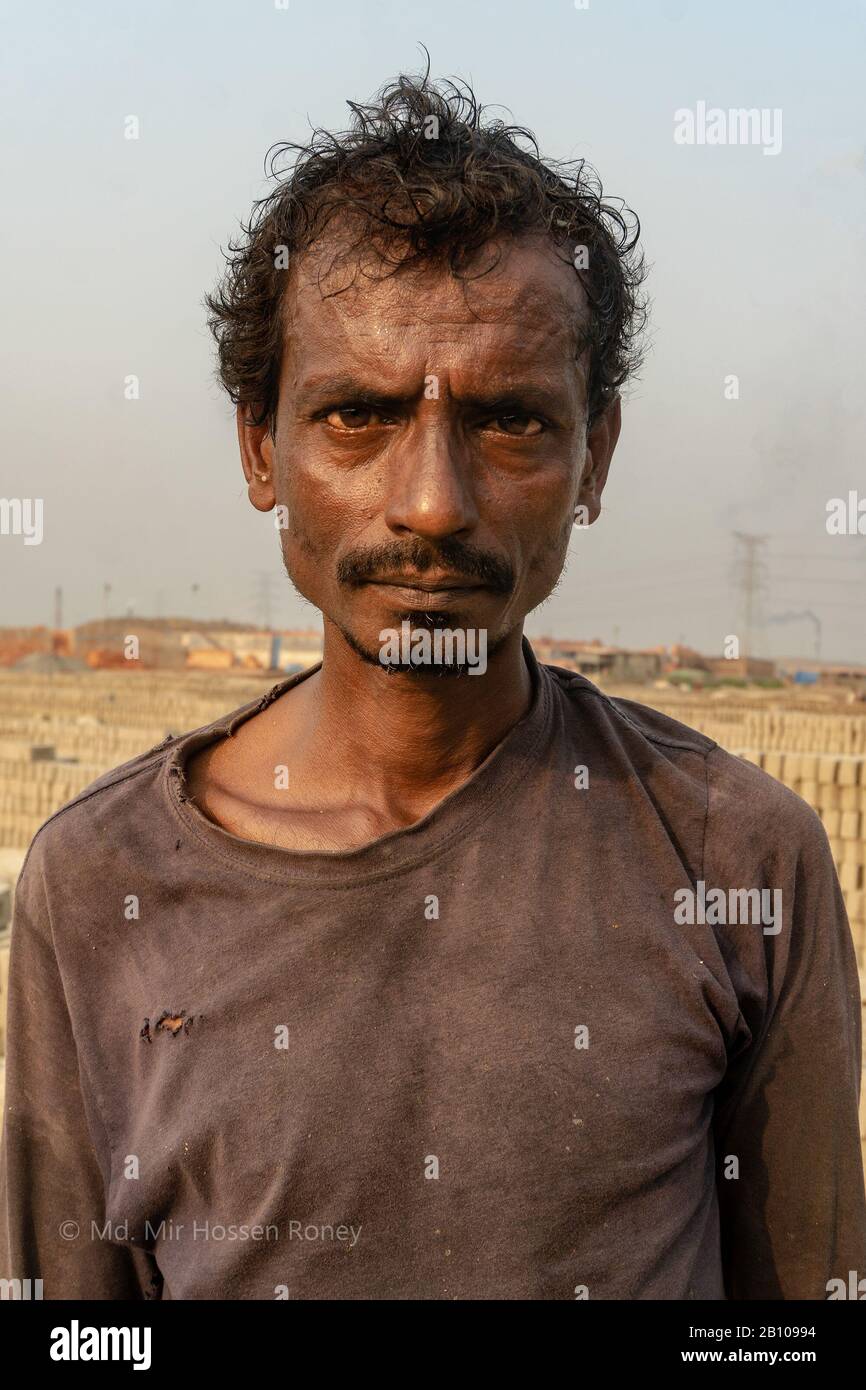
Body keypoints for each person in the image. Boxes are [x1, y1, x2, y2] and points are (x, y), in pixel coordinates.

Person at [1, 70, 863, 1301]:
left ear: (593, 454)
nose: (432, 504)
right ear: (260, 446)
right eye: (355, 416)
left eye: (509, 422)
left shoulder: (738, 862)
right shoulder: (100, 886)